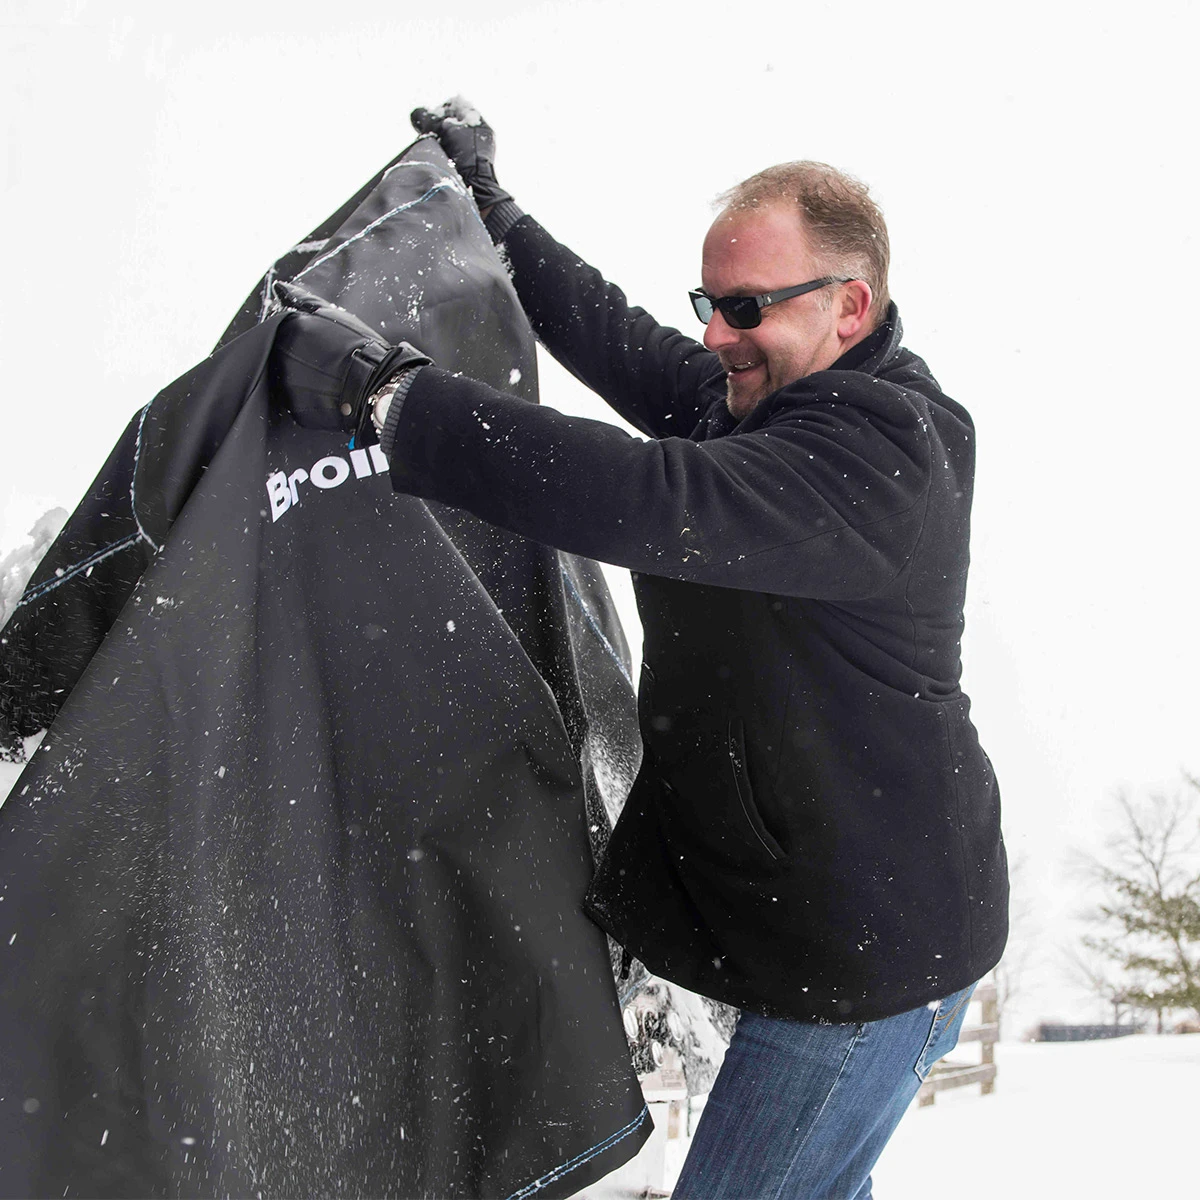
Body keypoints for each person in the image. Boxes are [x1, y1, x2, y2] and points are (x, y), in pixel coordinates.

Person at [267, 101, 1009, 1200]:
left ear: (849, 305)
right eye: (710, 304)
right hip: (815, 922)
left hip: (864, 962)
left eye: (746, 307)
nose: (715, 337)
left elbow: (641, 494)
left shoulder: (884, 452)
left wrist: (389, 399)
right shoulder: (760, 400)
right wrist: (494, 210)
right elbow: (616, 335)